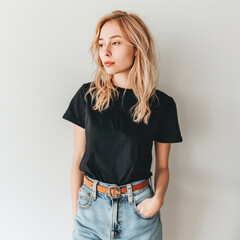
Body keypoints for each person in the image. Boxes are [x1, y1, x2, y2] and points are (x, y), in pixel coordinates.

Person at [62, 10, 183, 240]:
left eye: (115, 43)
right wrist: (77, 212)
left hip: (139, 211)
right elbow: (78, 158)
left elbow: (163, 167)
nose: (105, 52)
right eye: (101, 44)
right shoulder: (87, 96)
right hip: (90, 210)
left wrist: (158, 198)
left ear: (136, 48)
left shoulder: (161, 105)